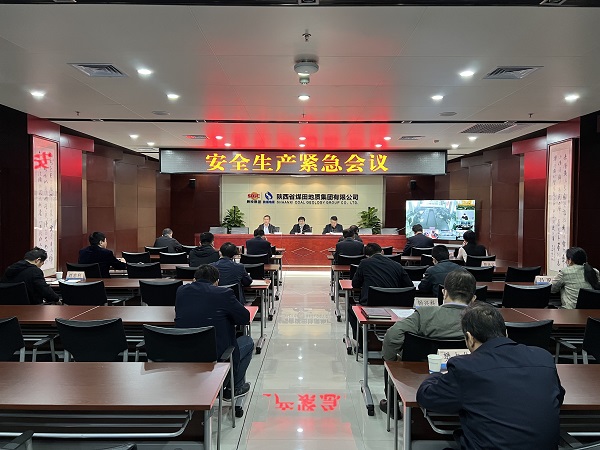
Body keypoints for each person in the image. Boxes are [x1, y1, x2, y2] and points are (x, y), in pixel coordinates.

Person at [417, 302, 565, 450]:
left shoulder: (465, 367)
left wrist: (436, 375)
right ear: (506, 332)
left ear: (470, 338)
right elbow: (558, 397)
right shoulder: (543, 357)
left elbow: (426, 397)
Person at [380, 270, 477, 413]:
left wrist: (392, 361)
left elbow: (392, 336)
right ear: (473, 298)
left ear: (444, 292)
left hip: (420, 376)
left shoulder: (424, 314)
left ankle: (392, 405)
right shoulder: (481, 320)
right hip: (469, 378)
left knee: (389, 356)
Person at [175, 265, 254, 399]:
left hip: (184, 352)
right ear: (217, 282)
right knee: (247, 341)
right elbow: (245, 318)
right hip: (215, 355)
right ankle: (233, 388)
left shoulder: (181, 291)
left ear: (194, 279)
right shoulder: (224, 293)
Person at [350, 243, 412, 338]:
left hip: (371, 304)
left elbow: (355, 284)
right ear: (382, 252)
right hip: (395, 303)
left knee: (351, 309)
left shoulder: (364, 263)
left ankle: (361, 341)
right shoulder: (397, 265)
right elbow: (409, 285)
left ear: (366, 255)